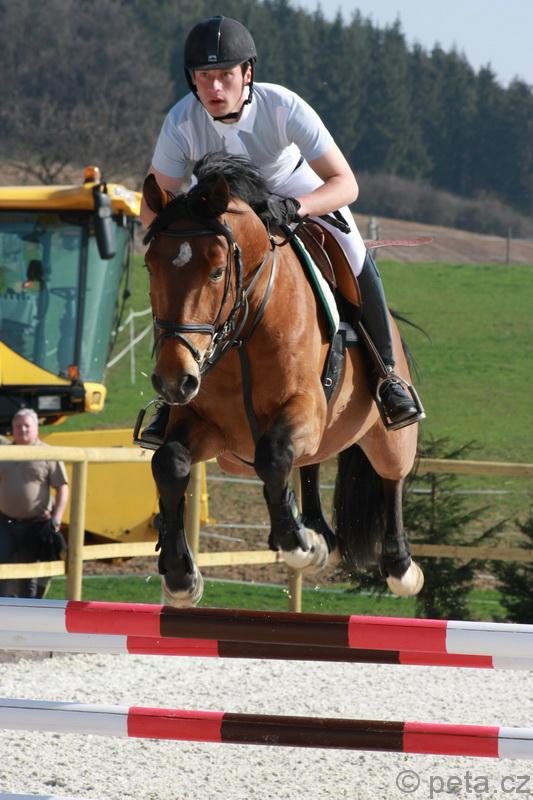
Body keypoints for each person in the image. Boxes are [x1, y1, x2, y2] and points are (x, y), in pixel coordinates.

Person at [139, 15, 424, 445]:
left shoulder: (282, 106)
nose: (214, 88)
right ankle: (172, 401)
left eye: (224, 75)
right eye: (203, 77)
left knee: (352, 249)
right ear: (191, 79)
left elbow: (346, 184)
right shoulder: (181, 121)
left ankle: (387, 375)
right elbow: (152, 208)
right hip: (220, 209)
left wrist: (296, 207)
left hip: (292, 193)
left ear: (247, 73)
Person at [0, 408, 68, 598]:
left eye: (27, 426)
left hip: (35, 524)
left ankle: (28, 609)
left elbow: (62, 487)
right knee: (1, 567)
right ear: (12, 429)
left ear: (36, 428)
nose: (22, 430)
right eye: (18, 426)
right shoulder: (3, 453)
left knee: (29, 575)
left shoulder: (47, 453)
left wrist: (57, 518)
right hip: (5, 522)